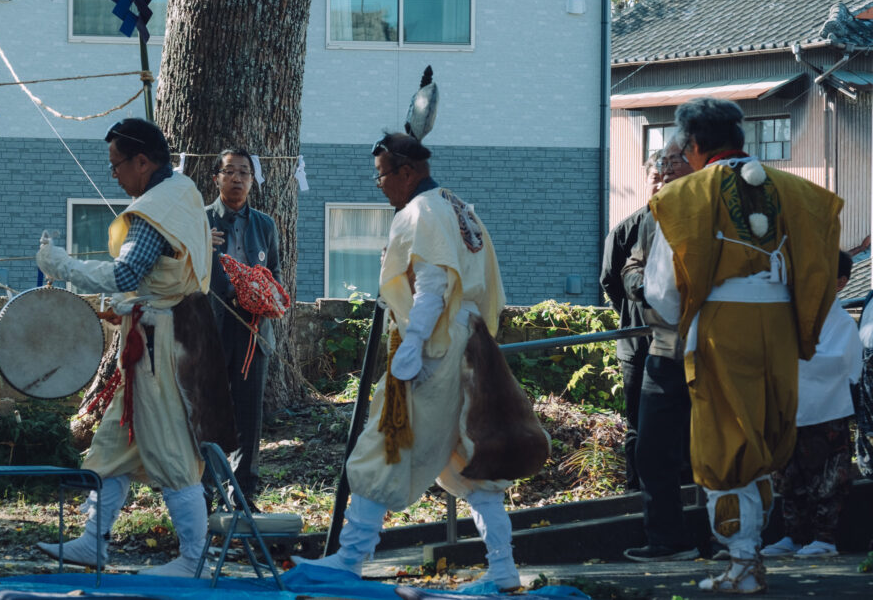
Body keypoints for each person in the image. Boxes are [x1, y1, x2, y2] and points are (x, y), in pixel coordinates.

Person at [292, 133, 550, 592]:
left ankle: (350, 559)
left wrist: (412, 346)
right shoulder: (458, 206)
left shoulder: (422, 212)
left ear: (405, 172)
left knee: (385, 445)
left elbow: (432, 287)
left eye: (382, 176)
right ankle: (504, 568)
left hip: (434, 346)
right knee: (472, 459)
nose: (380, 186)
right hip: (472, 347)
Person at [644, 98, 842, 593]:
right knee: (764, 434)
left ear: (692, 145)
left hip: (722, 324)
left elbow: (662, 290)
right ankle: (750, 556)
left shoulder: (687, 193)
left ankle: (742, 563)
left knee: (724, 437)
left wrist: (688, 321)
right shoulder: (792, 190)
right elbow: (821, 262)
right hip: (778, 322)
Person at [34, 118, 222, 577]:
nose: (113, 174)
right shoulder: (184, 190)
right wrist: (133, 302)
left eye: (117, 164)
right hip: (166, 333)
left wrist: (61, 264)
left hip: (164, 347)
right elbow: (160, 276)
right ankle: (92, 541)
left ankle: (194, 558)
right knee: (114, 441)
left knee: (173, 452)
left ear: (142, 161)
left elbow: (124, 275)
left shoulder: (155, 209)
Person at [620, 134, 697, 562]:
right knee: (650, 448)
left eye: (674, 160)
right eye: (663, 161)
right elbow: (632, 263)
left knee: (715, 448)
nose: (665, 169)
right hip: (662, 346)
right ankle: (667, 540)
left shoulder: (709, 204)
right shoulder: (655, 211)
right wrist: (644, 287)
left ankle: (731, 541)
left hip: (709, 345)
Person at [761, 251, 861, 559]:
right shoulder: (793, 313)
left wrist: (791, 361)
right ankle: (793, 535)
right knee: (790, 477)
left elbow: (840, 363)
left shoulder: (842, 322)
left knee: (827, 478)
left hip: (826, 410)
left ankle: (825, 539)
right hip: (793, 407)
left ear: (840, 283)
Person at [205, 148, 281, 508]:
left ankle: (242, 492)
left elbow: (276, 277)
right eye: (230, 171)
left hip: (253, 329)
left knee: (249, 413)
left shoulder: (265, 225)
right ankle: (204, 490)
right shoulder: (200, 220)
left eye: (245, 173)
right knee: (210, 410)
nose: (237, 178)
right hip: (211, 329)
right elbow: (181, 275)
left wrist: (268, 300)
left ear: (253, 180)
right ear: (216, 177)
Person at [599, 151, 663, 492]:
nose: (662, 186)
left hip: (678, 342)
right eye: (656, 179)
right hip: (636, 340)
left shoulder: (690, 226)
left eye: (670, 180)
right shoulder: (626, 229)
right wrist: (633, 313)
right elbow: (609, 280)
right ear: (647, 181)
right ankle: (634, 490)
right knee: (637, 421)